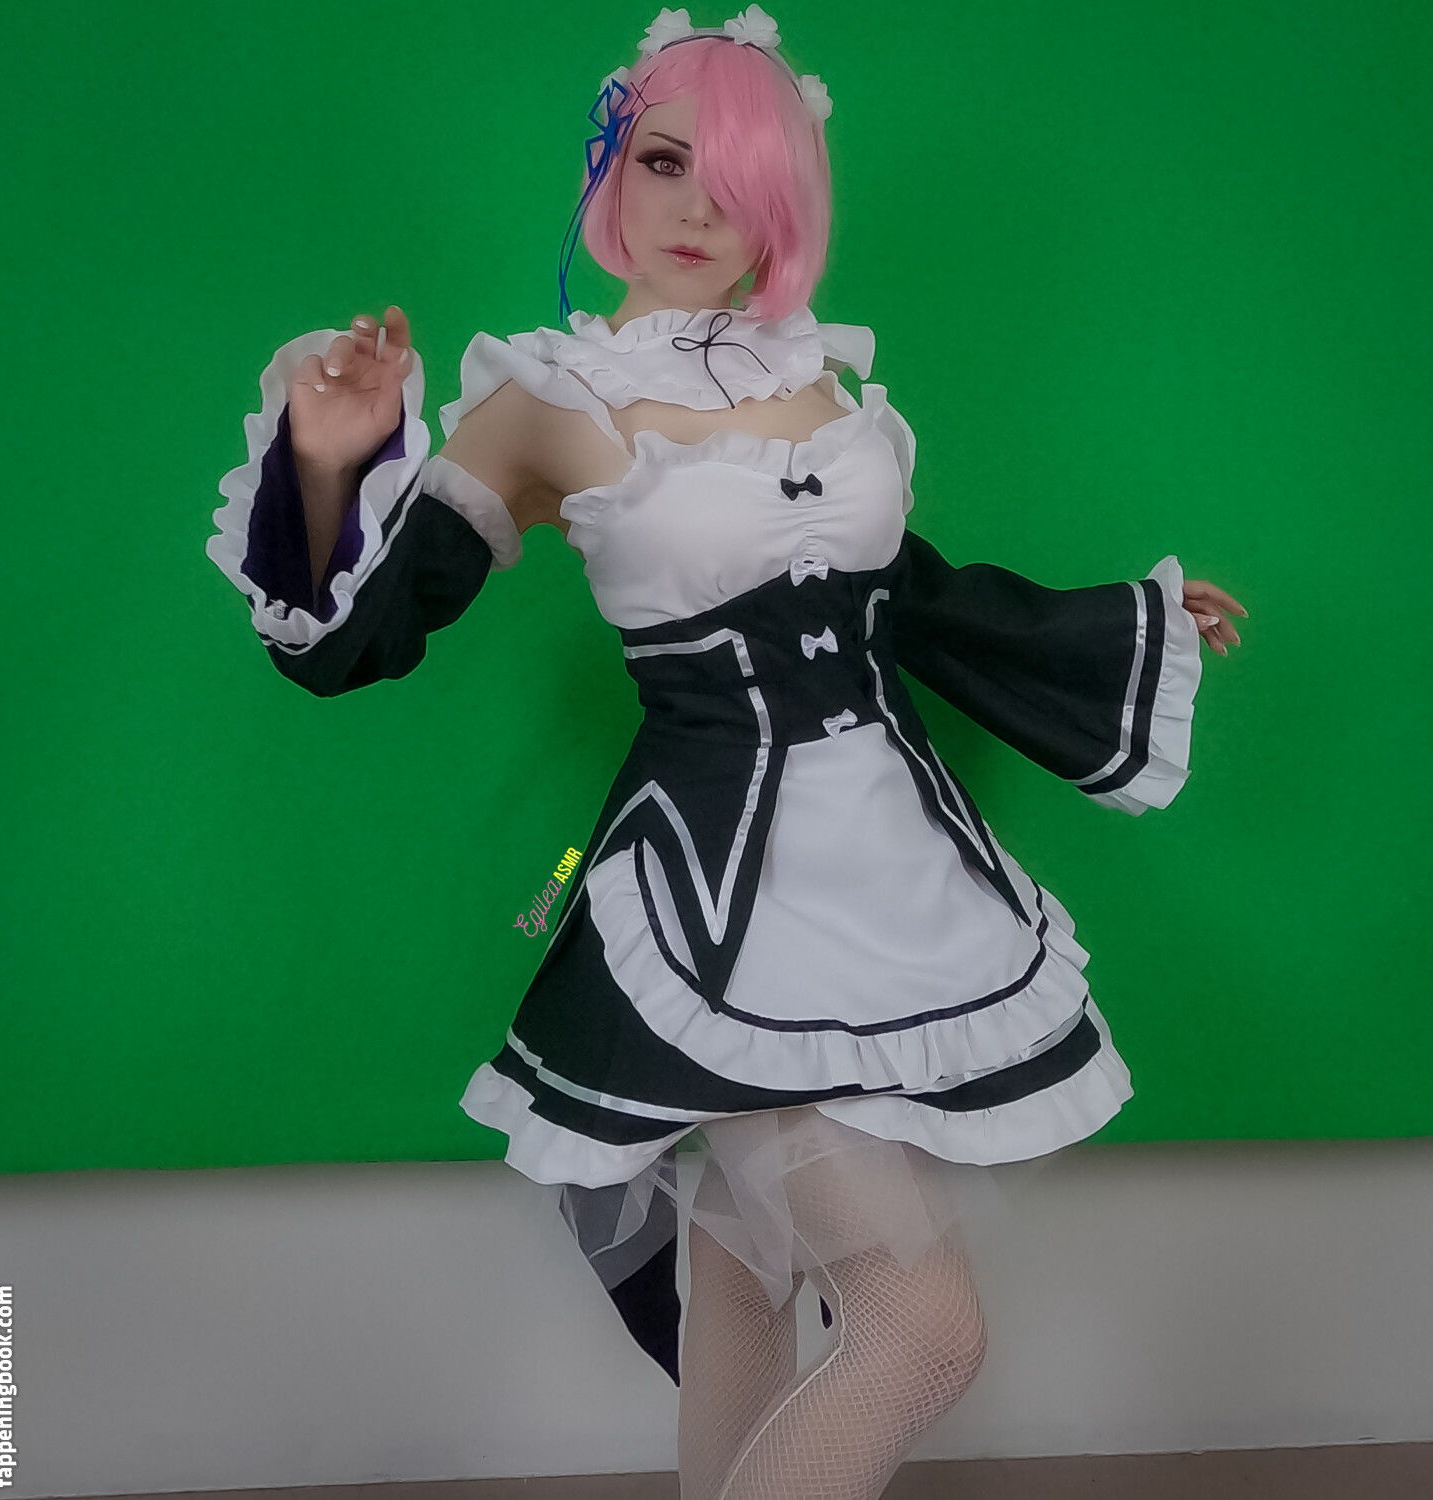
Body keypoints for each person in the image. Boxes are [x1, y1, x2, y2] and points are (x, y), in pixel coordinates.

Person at [207, 7, 1248, 1496]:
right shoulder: (548, 399)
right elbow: (355, 639)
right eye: (664, 160)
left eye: (741, 178)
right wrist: (326, 464)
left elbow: (907, 599)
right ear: (609, 170)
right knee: (925, 1335)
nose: (697, 207)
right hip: (720, 898)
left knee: (746, 1294)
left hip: (903, 880)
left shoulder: (818, 374)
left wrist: (1121, 626)